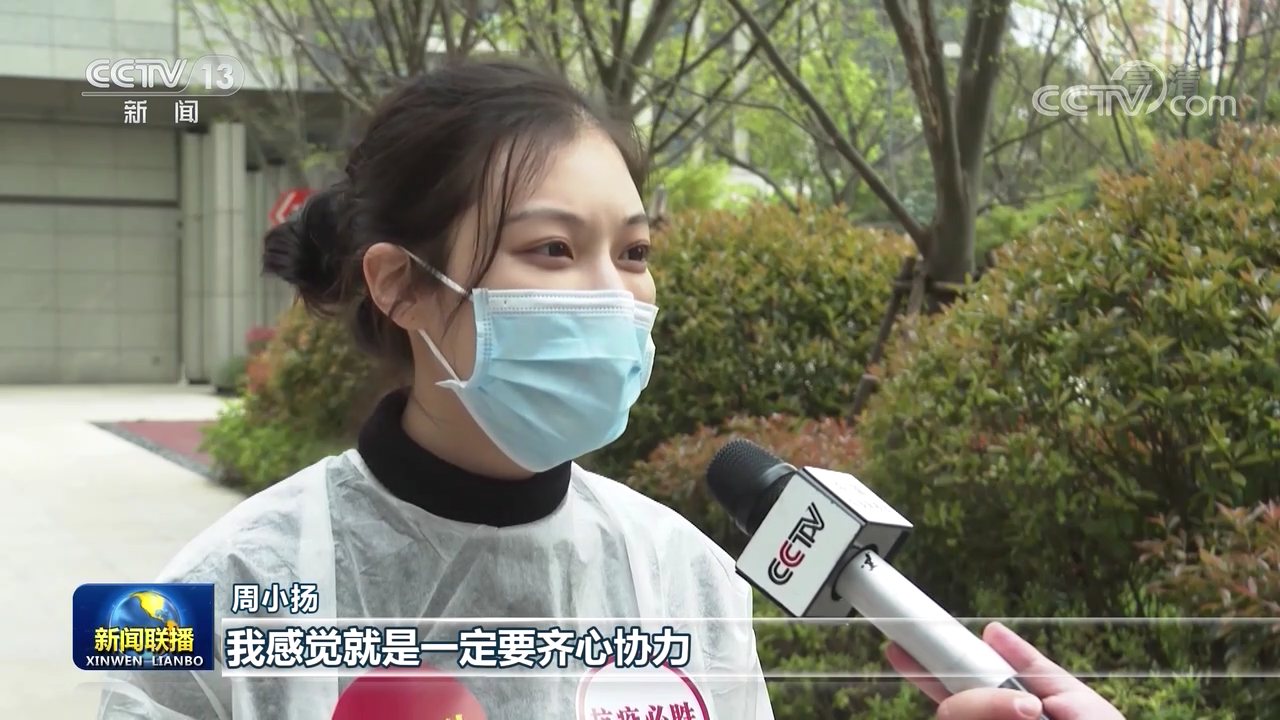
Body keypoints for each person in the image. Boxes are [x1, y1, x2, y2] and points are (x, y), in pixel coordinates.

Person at [95, 57, 1126, 720]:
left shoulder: (684, 578)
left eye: (633, 253)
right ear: (402, 285)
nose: (613, 297)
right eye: (552, 249)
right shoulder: (223, 592)